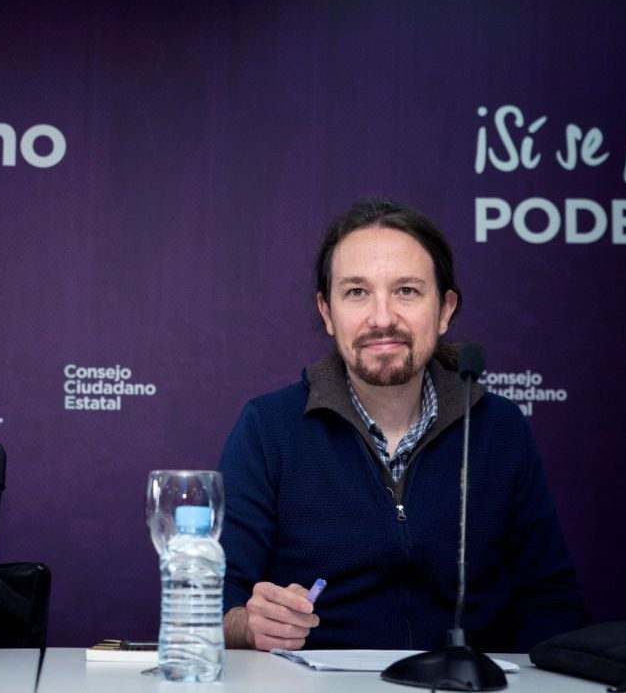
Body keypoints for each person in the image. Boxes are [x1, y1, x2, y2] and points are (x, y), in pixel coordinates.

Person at [219, 197, 587, 653]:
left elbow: (553, 602)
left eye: (406, 291)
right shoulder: (268, 429)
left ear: (445, 308)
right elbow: (216, 607)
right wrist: (250, 624)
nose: (382, 318)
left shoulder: (499, 429)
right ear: (327, 312)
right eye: (357, 292)